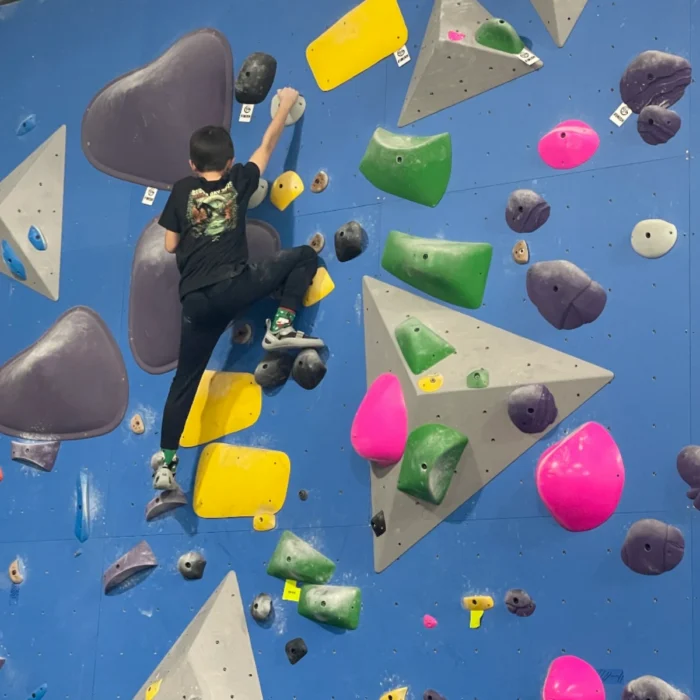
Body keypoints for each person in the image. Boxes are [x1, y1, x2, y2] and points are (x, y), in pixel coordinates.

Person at [150, 87, 324, 491]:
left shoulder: (180, 191)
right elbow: (267, 145)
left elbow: (170, 245)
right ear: (229, 163)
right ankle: (281, 325)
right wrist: (282, 107)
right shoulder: (241, 180)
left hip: (196, 303)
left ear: (192, 164)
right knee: (301, 258)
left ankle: (168, 466)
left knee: (185, 383)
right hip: (236, 284)